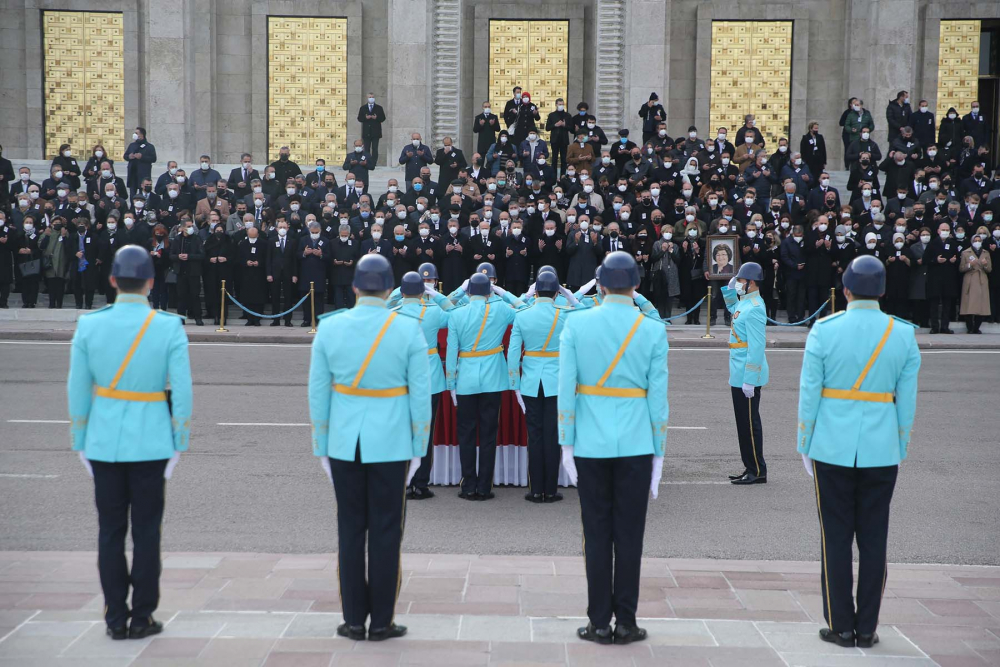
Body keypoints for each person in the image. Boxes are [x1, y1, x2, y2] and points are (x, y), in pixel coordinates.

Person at [68, 245, 192, 641]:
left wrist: (80, 439)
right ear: (151, 283)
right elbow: (183, 391)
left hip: (103, 440)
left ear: (112, 281)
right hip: (152, 441)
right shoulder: (168, 326)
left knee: (109, 532)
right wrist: (179, 439)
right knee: (147, 532)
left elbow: (77, 390)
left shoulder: (89, 325)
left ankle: (114, 617)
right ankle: (142, 616)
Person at [798, 254, 920, 650]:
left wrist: (805, 441)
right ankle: (867, 627)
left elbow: (809, 394)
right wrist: (899, 444)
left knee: (834, 538)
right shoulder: (901, 334)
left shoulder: (824, 329)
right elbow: (907, 403)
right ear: (883, 291)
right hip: (881, 448)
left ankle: (840, 625)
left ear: (845, 290)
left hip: (831, 445)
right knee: (873, 539)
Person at [308, 253, 430, 642]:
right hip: (392, 441)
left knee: (350, 530)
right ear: (390, 288)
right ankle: (381, 621)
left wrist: (321, 445)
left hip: (345, 441)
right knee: (386, 530)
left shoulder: (330, 328)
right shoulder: (408, 329)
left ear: (355, 287)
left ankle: (354, 620)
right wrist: (418, 447)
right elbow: (420, 395)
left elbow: (318, 393)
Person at [558, 251, 667, 645]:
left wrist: (565, 443)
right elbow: (658, 399)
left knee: (597, 533)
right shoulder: (652, 331)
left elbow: (565, 391)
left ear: (600, 285)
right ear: (636, 286)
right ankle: (627, 621)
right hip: (637, 442)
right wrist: (659, 451)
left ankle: (599, 621)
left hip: (589, 441)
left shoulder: (576, 324)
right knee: (630, 535)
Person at [445, 272, 519, 500]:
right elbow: (525, 311)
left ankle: (468, 485)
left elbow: (451, 351)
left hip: (465, 377)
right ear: (490, 291)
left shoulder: (456, 314)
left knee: (466, 433)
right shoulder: (499, 309)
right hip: (493, 378)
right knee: (488, 433)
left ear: (468, 292)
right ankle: (485, 486)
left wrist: (451, 383)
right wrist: (503, 293)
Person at [508, 270, 567, 503]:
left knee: (535, 435)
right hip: (556, 381)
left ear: (535, 291)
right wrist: (568, 295)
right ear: (556, 292)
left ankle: (536, 489)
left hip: (531, 382)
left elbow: (513, 354)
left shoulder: (523, 315)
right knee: (552, 435)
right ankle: (550, 490)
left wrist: (514, 382)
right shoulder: (566, 314)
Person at [392, 271, 450, 499]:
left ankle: (404, 483)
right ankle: (421, 484)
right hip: (430, 377)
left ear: (403, 291)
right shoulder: (434, 312)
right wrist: (434, 294)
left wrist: (399, 292)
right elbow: (454, 312)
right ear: (423, 291)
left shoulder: (393, 313)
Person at [721, 262, 768, 484]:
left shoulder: (756, 308)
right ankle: (750, 467)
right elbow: (734, 311)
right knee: (743, 424)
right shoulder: (746, 304)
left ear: (751, 283)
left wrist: (750, 380)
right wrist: (729, 290)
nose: (738, 283)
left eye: (740, 280)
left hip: (746, 376)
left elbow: (757, 348)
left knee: (749, 425)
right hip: (738, 372)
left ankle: (757, 470)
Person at [171, 218, 205, 326]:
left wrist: (189, 256)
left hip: (193, 272)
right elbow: (171, 255)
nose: (190, 228)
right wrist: (178, 256)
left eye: (191, 226)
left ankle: (198, 317)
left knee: (195, 296)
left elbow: (202, 255)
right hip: (181, 271)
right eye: (188, 226)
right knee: (181, 296)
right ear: (182, 227)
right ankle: (181, 318)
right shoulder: (177, 239)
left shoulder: (196, 239)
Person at [959, 230, 992, 333]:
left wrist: (985, 264)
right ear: (972, 241)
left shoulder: (986, 253)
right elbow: (961, 268)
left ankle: (977, 327)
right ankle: (970, 328)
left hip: (981, 279)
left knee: (982, 305)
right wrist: (970, 265)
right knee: (968, 304)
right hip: (970, 279)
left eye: (979, 240)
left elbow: (989, 269)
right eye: (975, 240)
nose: (977, 242)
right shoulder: (965, 252)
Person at [299, 220, 328, 326]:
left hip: (319, 274)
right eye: (313, 232)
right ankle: (307, 319)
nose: (314, 234)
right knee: (306, 299)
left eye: (316, 232)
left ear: (320, 231)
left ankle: (318, 319)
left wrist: (321, 254)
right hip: (306, 274)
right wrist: (304, 253)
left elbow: (329, 256)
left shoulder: (325, 241)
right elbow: (297, 254)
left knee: (319, 299)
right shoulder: (303, 240)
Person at [122, 127, 156, 197]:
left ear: (141, 135)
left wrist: (142, 157)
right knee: (132, 193)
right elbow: (125, 155)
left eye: (136, 133)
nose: (135, 134)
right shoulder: (132, 145)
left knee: (142, 193)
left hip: (143, 173)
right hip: (132, 173)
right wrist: (129, 157)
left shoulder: (149, 146)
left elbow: (153, 158)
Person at [358, 92, 386, 164]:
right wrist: (365, 118)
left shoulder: (379, 108)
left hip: (376, 132)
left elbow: (383, 118)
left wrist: (376, 118)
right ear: (367, 98)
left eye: (372, 97)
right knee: (366, 148)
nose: (371, 98)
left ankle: (373, 162)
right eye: (370, 97)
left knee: (375, 148)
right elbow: (359, 118)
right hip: (366, 132)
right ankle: (366, 161)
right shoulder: (363, 108)